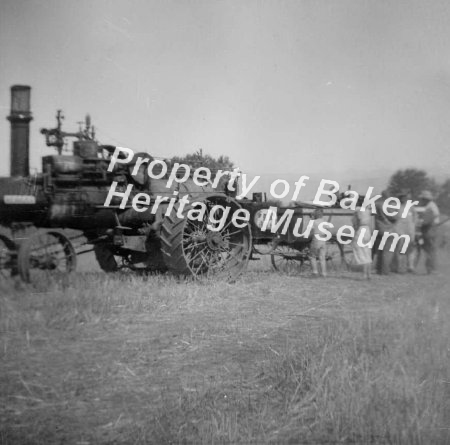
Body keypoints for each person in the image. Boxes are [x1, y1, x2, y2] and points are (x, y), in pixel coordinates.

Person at [372, 190, 397, 274]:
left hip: (379, 228)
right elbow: (393, 217)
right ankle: (385, 270)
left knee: (380, 250)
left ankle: (379, 269)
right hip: (388, 229)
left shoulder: (376, 204)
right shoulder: (387, 205)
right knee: (387, 251)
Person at [392, 190, 417, 273]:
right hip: (399, 231)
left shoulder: (411, 207)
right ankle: (399, 267)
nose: (403, 198)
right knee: (399, 249)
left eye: (404, 197)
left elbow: (415, 218)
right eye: (401, 197)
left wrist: (414, 228)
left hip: (409, 230)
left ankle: (410, 266)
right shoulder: (395, 206)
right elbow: (393, 218)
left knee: (410, 249)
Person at [419, 190, 440, 274]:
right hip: (430, 229)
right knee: (430, 249)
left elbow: (431, 217)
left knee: (430, 249)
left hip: (429, 230)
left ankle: (430, 268)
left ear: (425, 199)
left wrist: (422, 223)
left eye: (423, 199)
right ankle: (430, 268)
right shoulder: (430, 205)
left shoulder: (430, 206)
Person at [352, 205, 373, 280]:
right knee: (367, 252)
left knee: (361, 251)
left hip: (361, 230)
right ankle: (369, 273)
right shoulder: (368, 211)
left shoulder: (357, 210)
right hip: (368, 230)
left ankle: (364, 274)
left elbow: (355, 222)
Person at [309, 208, 327, 278]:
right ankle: (324, 273)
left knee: (312, 256)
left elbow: (310, 230)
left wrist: (311, 219)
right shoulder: (324, 221)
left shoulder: (314, 222)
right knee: (322, 257)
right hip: (323, 239)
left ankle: (315, 272)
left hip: (316, 239)